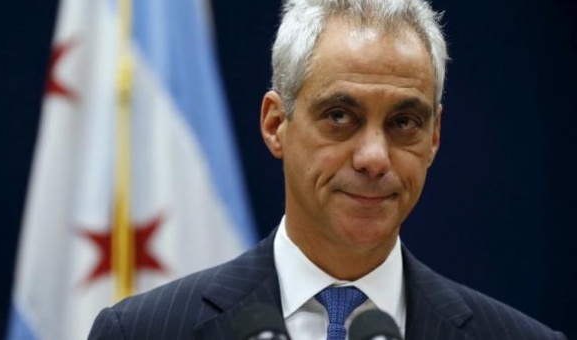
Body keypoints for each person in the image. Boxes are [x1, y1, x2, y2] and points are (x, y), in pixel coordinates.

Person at [88, 0, 567, 339]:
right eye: (340, 116)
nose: (374, 157)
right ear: (276, 125)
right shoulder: (143, 332)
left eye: (404, 122)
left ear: (434, 137)